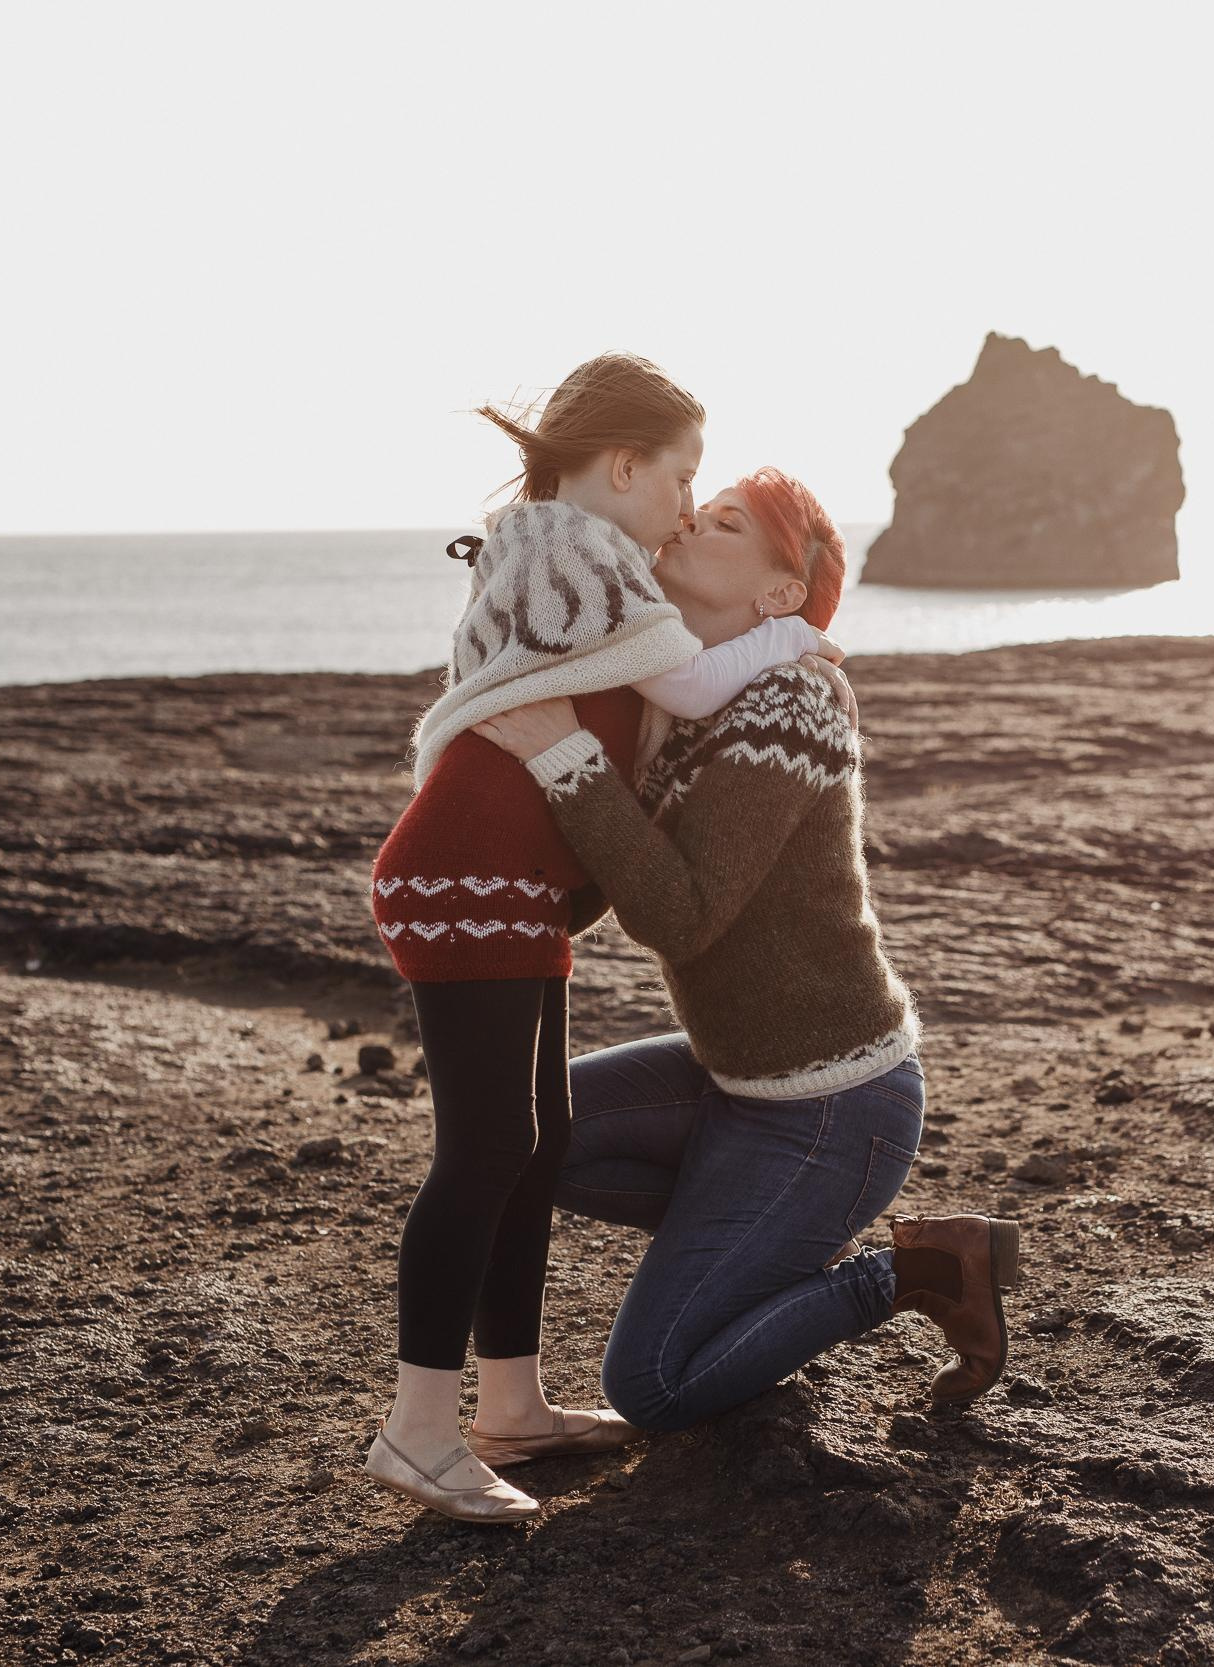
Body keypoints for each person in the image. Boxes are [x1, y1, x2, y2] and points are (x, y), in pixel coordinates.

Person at [362, 357, 844, 1525]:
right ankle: (417, 1431)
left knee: (537, 1141)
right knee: (484, 1148)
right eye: (681, 478)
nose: (687, 505)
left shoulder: (576, 552)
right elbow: (690, 686)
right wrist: (792, 640)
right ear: (624, 467)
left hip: (511, 883)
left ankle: (511, 1403)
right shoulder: (574, 556)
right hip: (465, 874)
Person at [469, 466, 1022, 1440]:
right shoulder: (682, 702)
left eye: (724, 523)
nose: (688, 522)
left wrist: (566, 756)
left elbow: (681, 914)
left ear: (779, 592)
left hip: (834, 1106)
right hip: (734, 1081)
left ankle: (925, 1269)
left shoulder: (795, 699)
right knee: (518, 1136)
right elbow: (607, 880)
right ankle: (760, 1240)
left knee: (653, 1384)